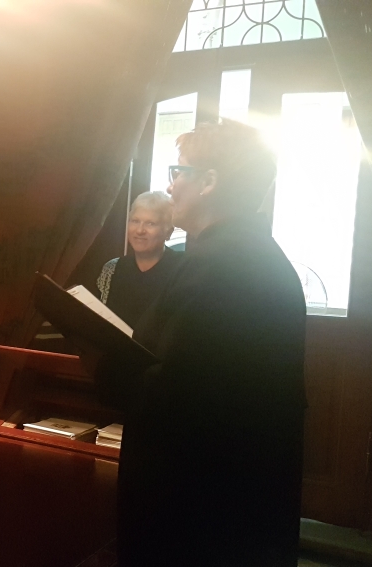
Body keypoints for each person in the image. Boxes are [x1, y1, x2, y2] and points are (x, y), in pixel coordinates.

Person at [96, 119, 307, 566]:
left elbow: (175, 389)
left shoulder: (216, 265)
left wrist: (104, 360)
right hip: (241, 496)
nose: (170, 185)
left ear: (209, 182)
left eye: (178, 171)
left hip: (196, 508)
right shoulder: (257, 254)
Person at [95, 191, 181, 328]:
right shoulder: (111, 269)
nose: (140, 230)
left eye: (151, 223)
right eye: (135, 221)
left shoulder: (183, 270)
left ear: (168, 232)